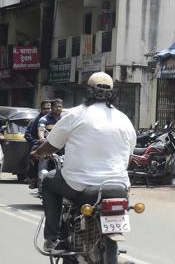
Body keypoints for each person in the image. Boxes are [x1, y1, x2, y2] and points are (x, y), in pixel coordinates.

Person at [31, 72, 136, 252]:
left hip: (78, 185)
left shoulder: (74, 114)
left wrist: (37, 153)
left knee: (48, 181)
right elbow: (129, 156)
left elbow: (51, 146)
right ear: (112, 93)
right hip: (119, 186)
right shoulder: (124, 119)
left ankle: (54, 237)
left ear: (87, 91)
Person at [25, 100, 52, 186]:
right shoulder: (36, 121)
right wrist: (37, 142)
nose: (47, 110)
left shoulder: (56, 119)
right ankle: (34, 179)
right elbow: (28, 135)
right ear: (41, 109)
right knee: (35, 159)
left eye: (49, 108)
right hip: (40, 145)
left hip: (53, 146)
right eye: (45, 108)